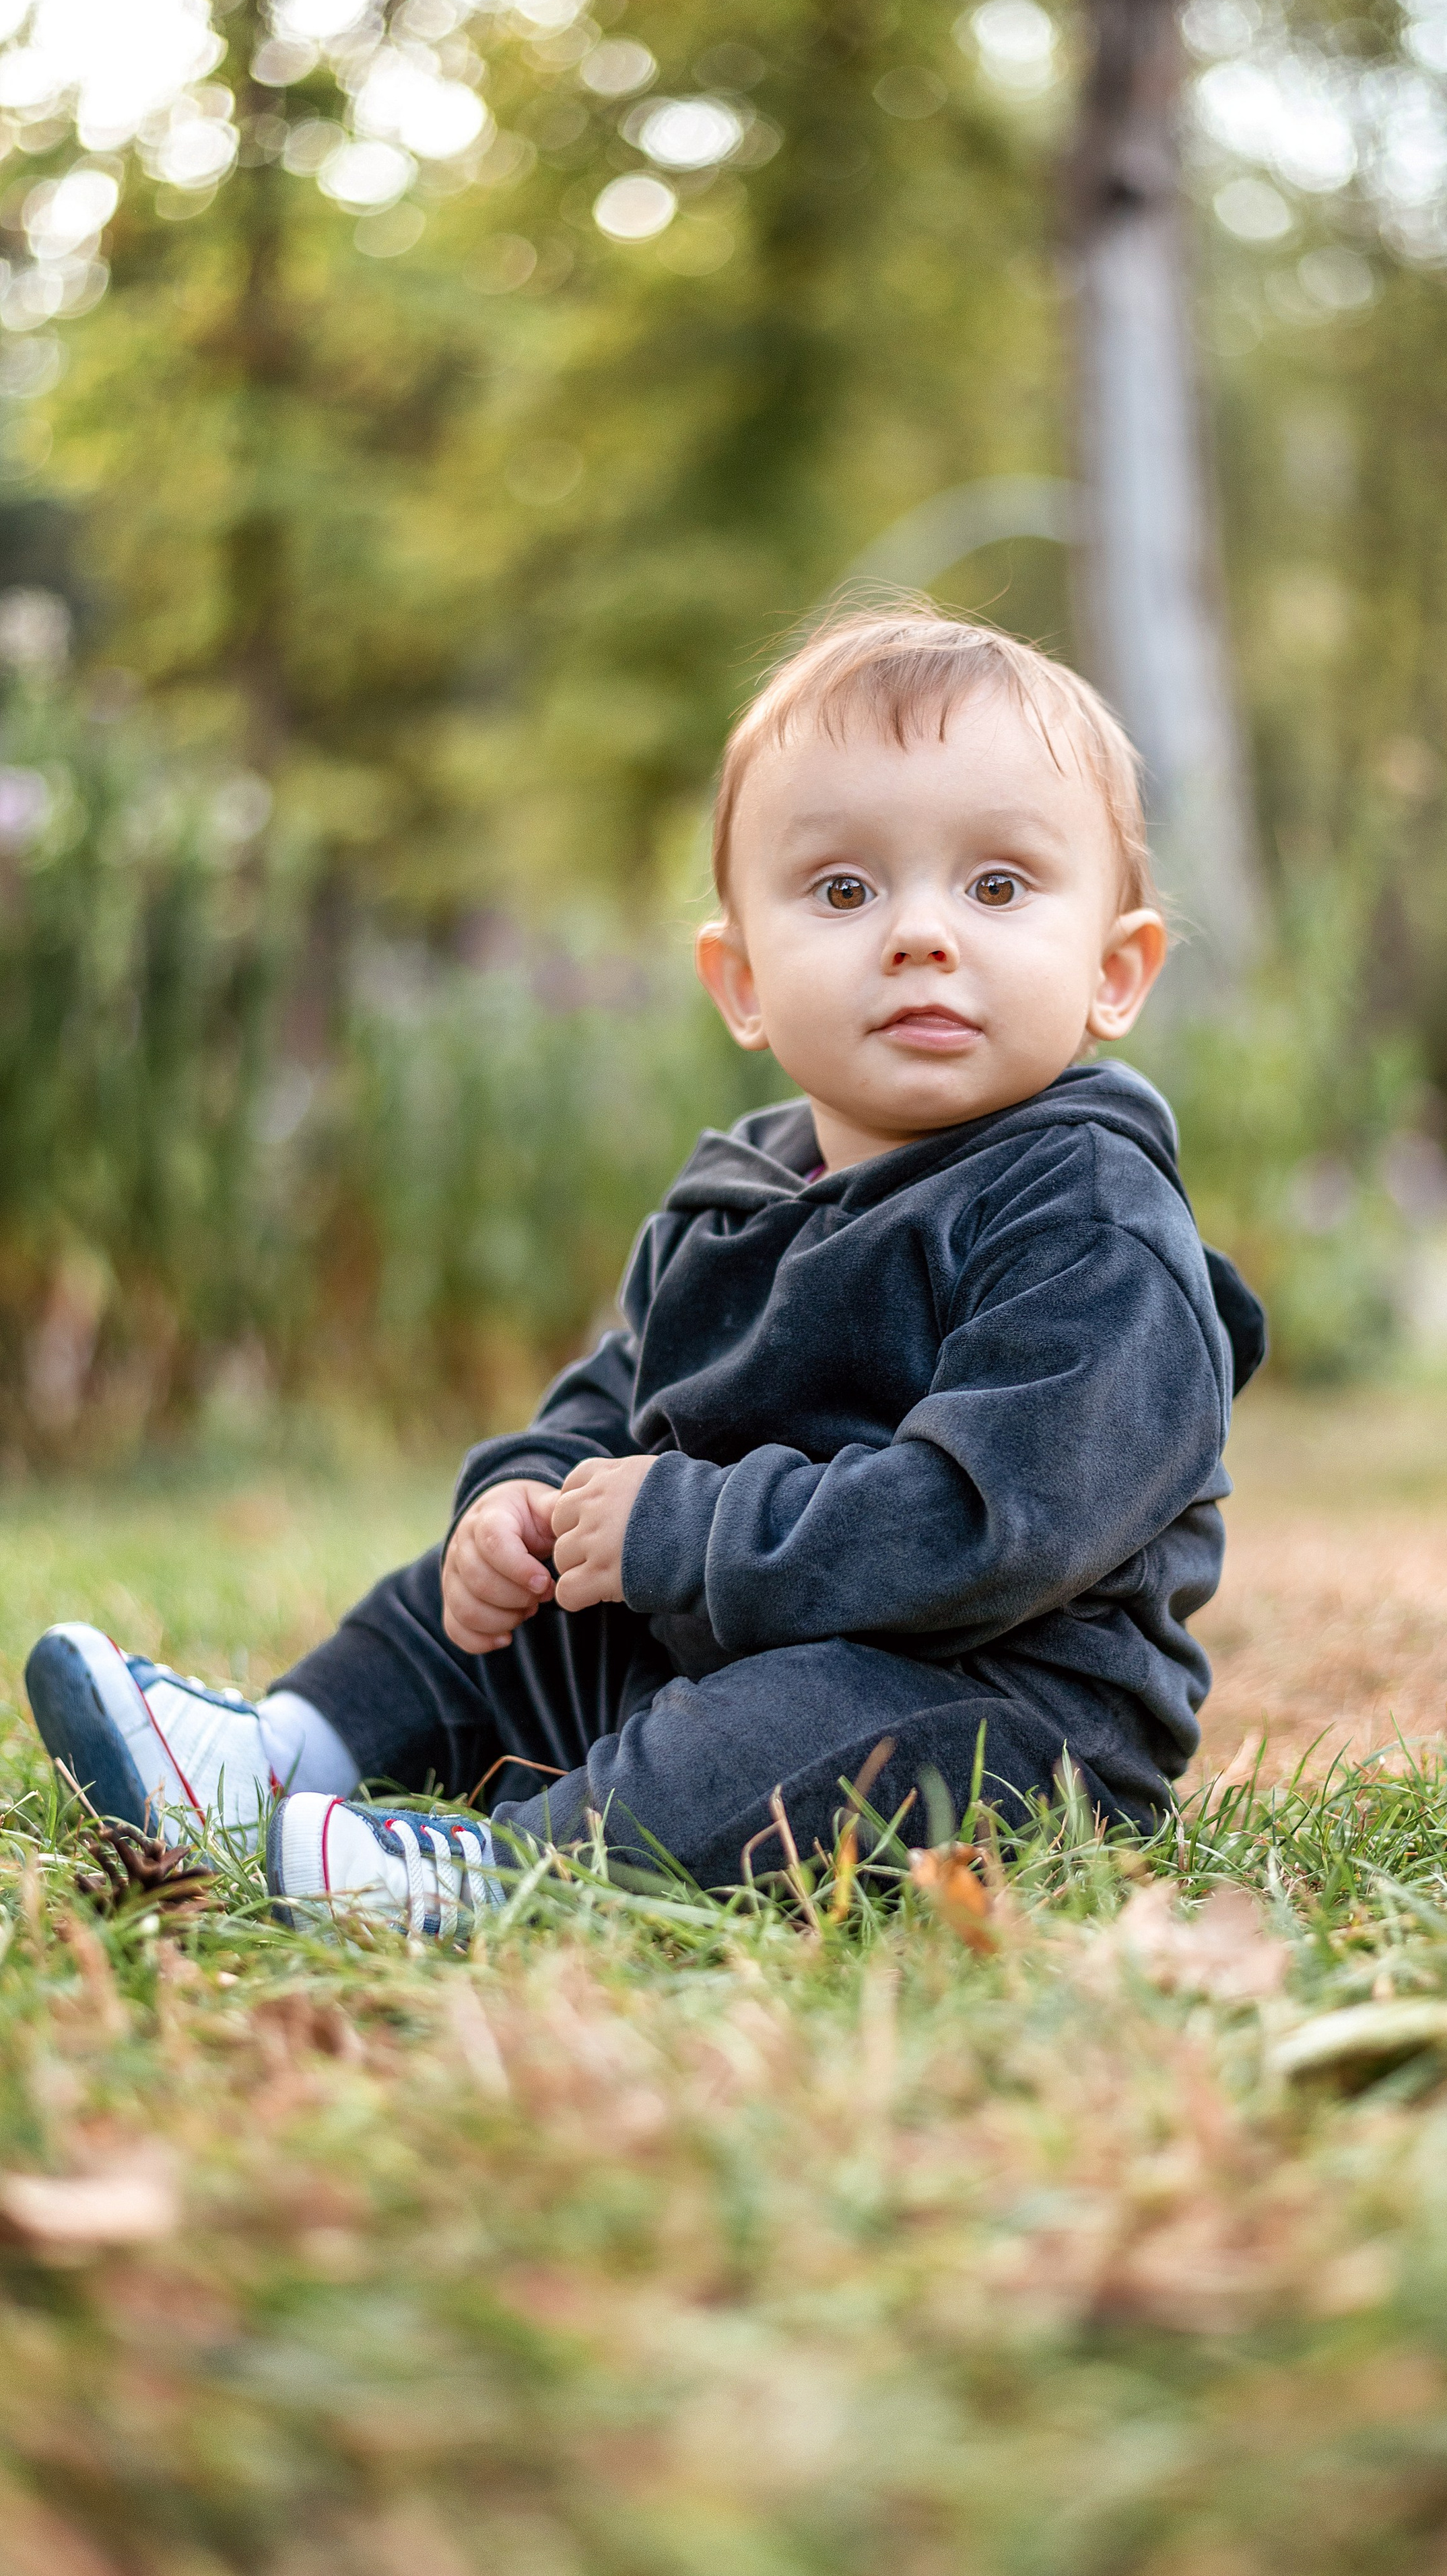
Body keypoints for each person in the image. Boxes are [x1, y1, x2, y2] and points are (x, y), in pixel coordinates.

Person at [24, 607, 1264, 1937]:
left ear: (1114, 969)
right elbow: (626, 1391)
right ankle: (286, 1749)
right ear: (738, 981)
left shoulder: (1083, 1217)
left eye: (997, 885)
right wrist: (530, 1497)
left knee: (786, 1733)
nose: (919, 933)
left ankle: (500, 1879)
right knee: (493, 1608)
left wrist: (684, 1529)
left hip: (1000, 1719)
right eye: (843, 889)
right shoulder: (738, 1191)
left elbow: (985, 1524)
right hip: (726, 1626)